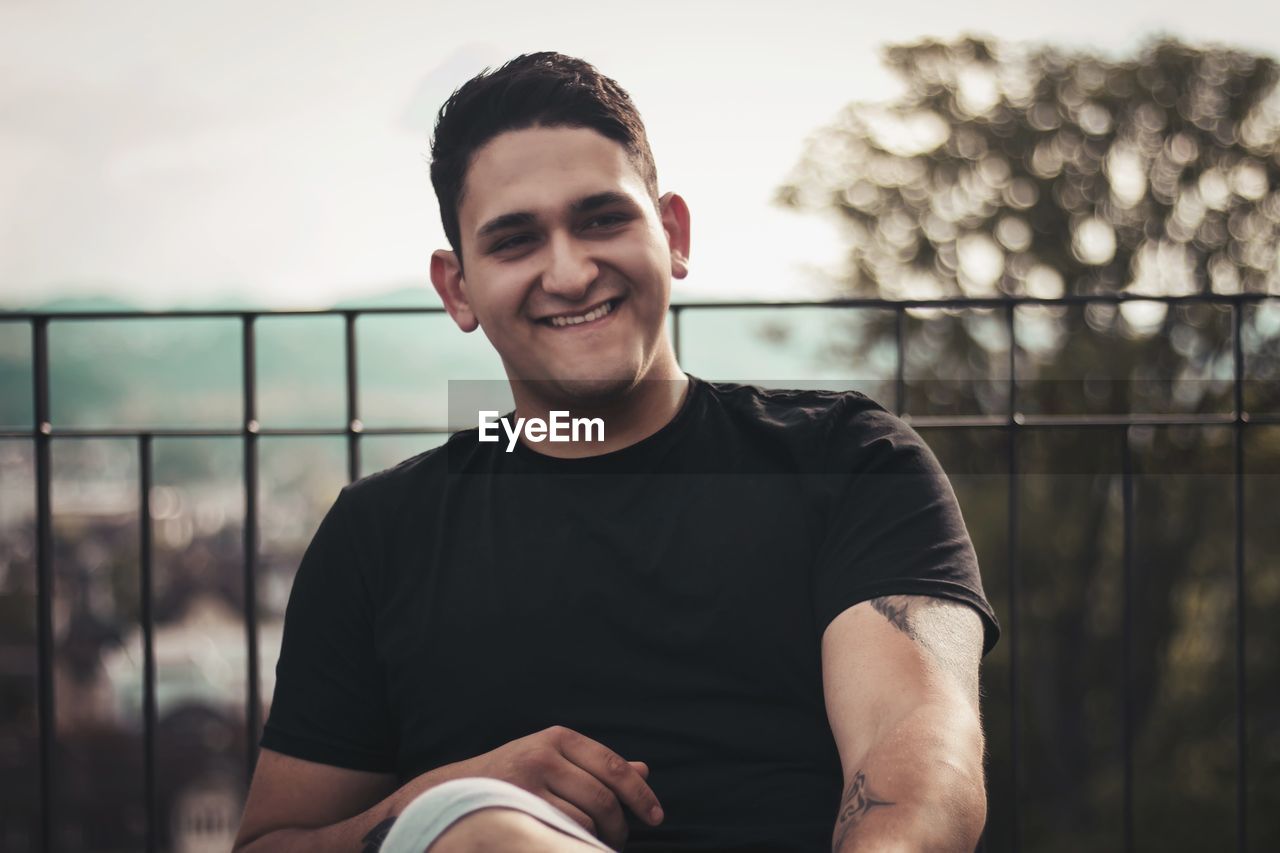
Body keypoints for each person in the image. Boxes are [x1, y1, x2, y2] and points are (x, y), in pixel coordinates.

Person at [232, 52, 1000, 853]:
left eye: (602, 219)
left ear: (671, 234)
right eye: (516, 240)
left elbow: (920, 758)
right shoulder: (378, 534)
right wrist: (444, 802)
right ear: (457, 289)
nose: (569, 271)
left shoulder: (850, 462)